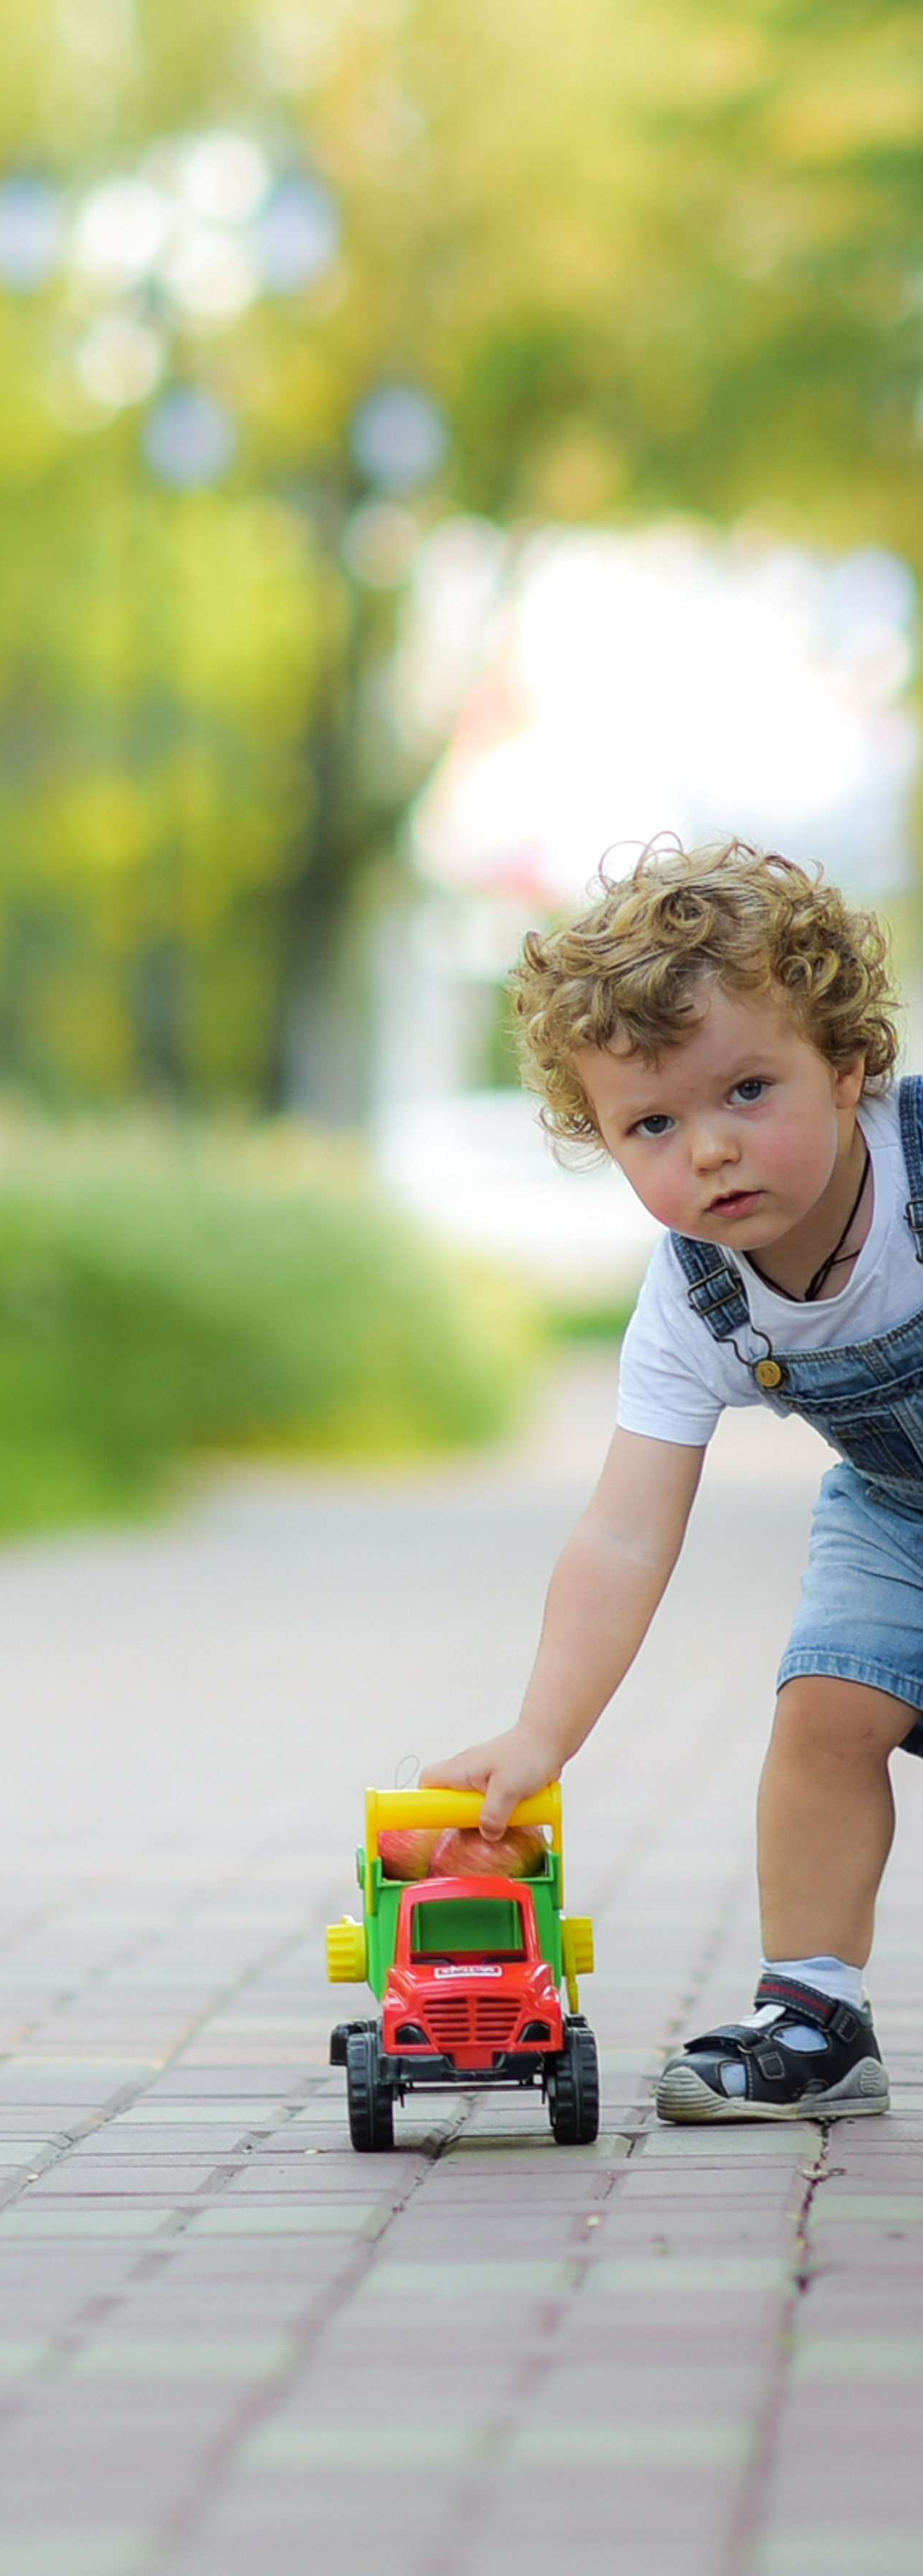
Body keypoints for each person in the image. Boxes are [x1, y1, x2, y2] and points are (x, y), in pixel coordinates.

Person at [425, 837, 915, 2124]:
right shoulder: (694, 1301)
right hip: (898, 1516)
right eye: (653, 1122)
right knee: (824, 1713)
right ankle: (814, 2013)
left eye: (748, 1089)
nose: (709, 1150)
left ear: (848, 1065)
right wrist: (543, 1733)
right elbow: (627, 1534)